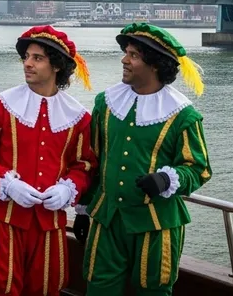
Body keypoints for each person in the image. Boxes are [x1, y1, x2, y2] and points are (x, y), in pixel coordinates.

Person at [73, 23, 212, 296]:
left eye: (134, 55)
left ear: (155, 65)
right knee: (98, 286)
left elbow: (199, 169)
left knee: (153, 291)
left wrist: (166, 179)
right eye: (126, 52)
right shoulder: (107, 103)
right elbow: (93, 159)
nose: (124, 60)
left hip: (156, 224)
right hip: (107, 219)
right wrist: (82, 207)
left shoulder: (182, 115)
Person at [0, 26, 97, 296]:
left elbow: (84, 165)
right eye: (26, 56)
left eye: (37, 58)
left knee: (45, 288)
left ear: (57, 66)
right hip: (2, 220)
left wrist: (67, 188)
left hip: (48, 224)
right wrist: (7, 183)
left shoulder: (78, 117)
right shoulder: (0, 105)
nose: (27, 63)